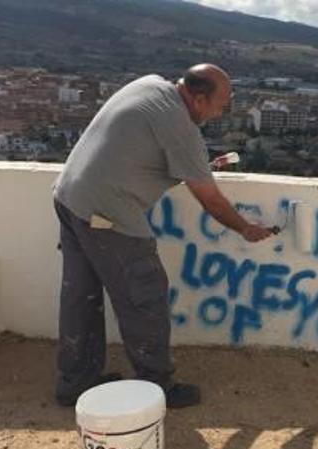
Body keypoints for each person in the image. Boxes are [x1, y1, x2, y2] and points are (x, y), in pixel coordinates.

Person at [52, 64, 273, 408]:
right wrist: (245, 227)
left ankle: (75, 382)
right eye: (220, 104)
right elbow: (211, 199)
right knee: (145, 296)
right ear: (199, 100)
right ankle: (156, 387)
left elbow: (143, 149)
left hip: (69, 197)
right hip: (106, 213)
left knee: (81, 295)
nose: (221, 112)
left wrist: (196, 165)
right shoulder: (180, 128)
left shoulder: (150, 83)